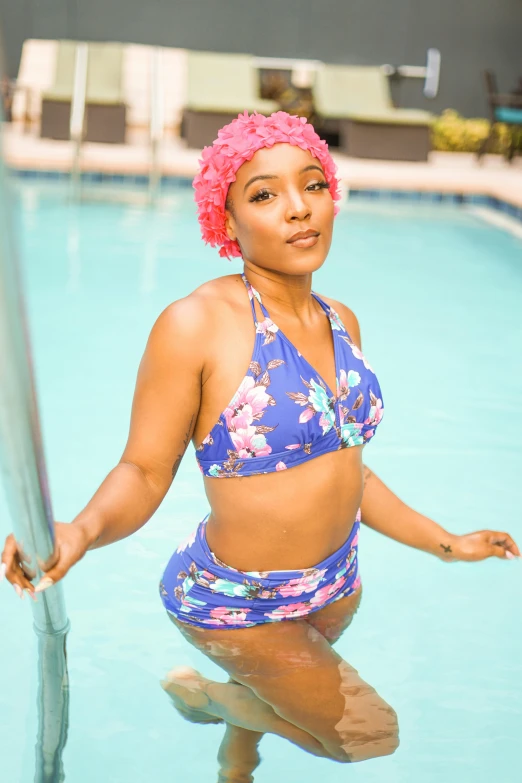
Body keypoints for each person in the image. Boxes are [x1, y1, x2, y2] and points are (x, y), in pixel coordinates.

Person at [2, 111, 520, 782]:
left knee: (276, 711)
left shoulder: (342, 321)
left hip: (334, 585)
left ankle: (237, 758)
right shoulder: (196, 324)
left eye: (313, 185)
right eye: (265, 194)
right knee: (368, 734)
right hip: (238, 605)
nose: (299, 210)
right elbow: (143, 467)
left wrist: (445, 543)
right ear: (227, 220)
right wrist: (78, 530)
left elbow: (349, 472)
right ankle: (213, 697)